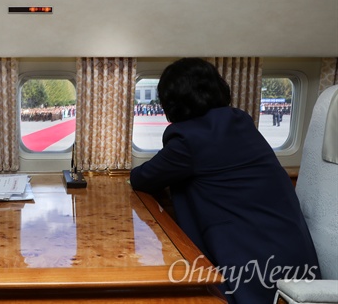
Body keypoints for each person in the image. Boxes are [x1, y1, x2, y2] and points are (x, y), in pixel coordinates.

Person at [130, 58, 319, 304]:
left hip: (257, 265)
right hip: (294, 253)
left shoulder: (189, 139)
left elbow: (142, 178)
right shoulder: (240, 121)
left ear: (172, 101)